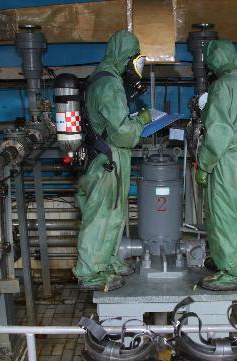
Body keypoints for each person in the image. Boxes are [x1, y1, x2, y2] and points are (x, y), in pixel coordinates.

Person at [73, 30, 151, 291]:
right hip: (109, 157)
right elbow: (123, 133)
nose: (134, 66)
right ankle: (89, 271)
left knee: (114, 214)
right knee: (101, 217)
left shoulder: (104, 78)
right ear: (123, 57)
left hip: (108, 156)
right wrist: (141, 120)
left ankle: (105, 261)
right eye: (133, 59)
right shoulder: (109, 84)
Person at [195, 40, 237, 291]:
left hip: (226, 161)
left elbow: (218, 133)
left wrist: (204, 166)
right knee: (235, 217)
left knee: (222, 218)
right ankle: (226, 260)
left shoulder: (221, 86)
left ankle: (231, 272)